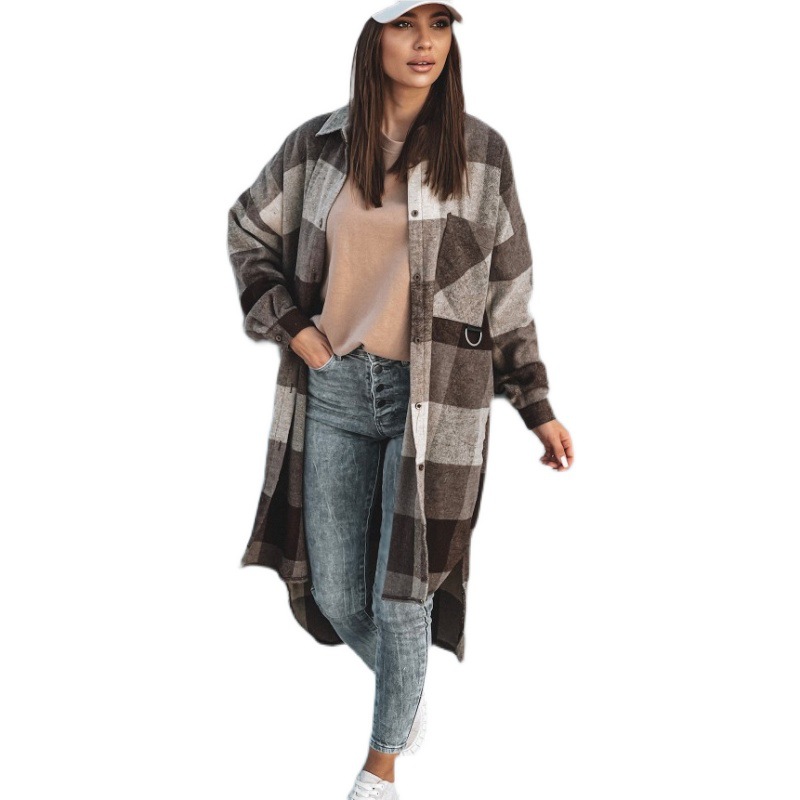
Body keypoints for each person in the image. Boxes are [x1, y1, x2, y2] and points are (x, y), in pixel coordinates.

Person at [228, 2, 574, 797]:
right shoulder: (316, 147)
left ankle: (379, 770)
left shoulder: (481, 154)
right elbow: (248, 230)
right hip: (336, 391)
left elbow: (507, 294)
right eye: (405, 24)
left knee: (401, 595)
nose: (424, 42)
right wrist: (296, 331)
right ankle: (405, 699)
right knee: (338, 592)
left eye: (440, 24)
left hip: (439, 405)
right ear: (373, 35)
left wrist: (537, 404)